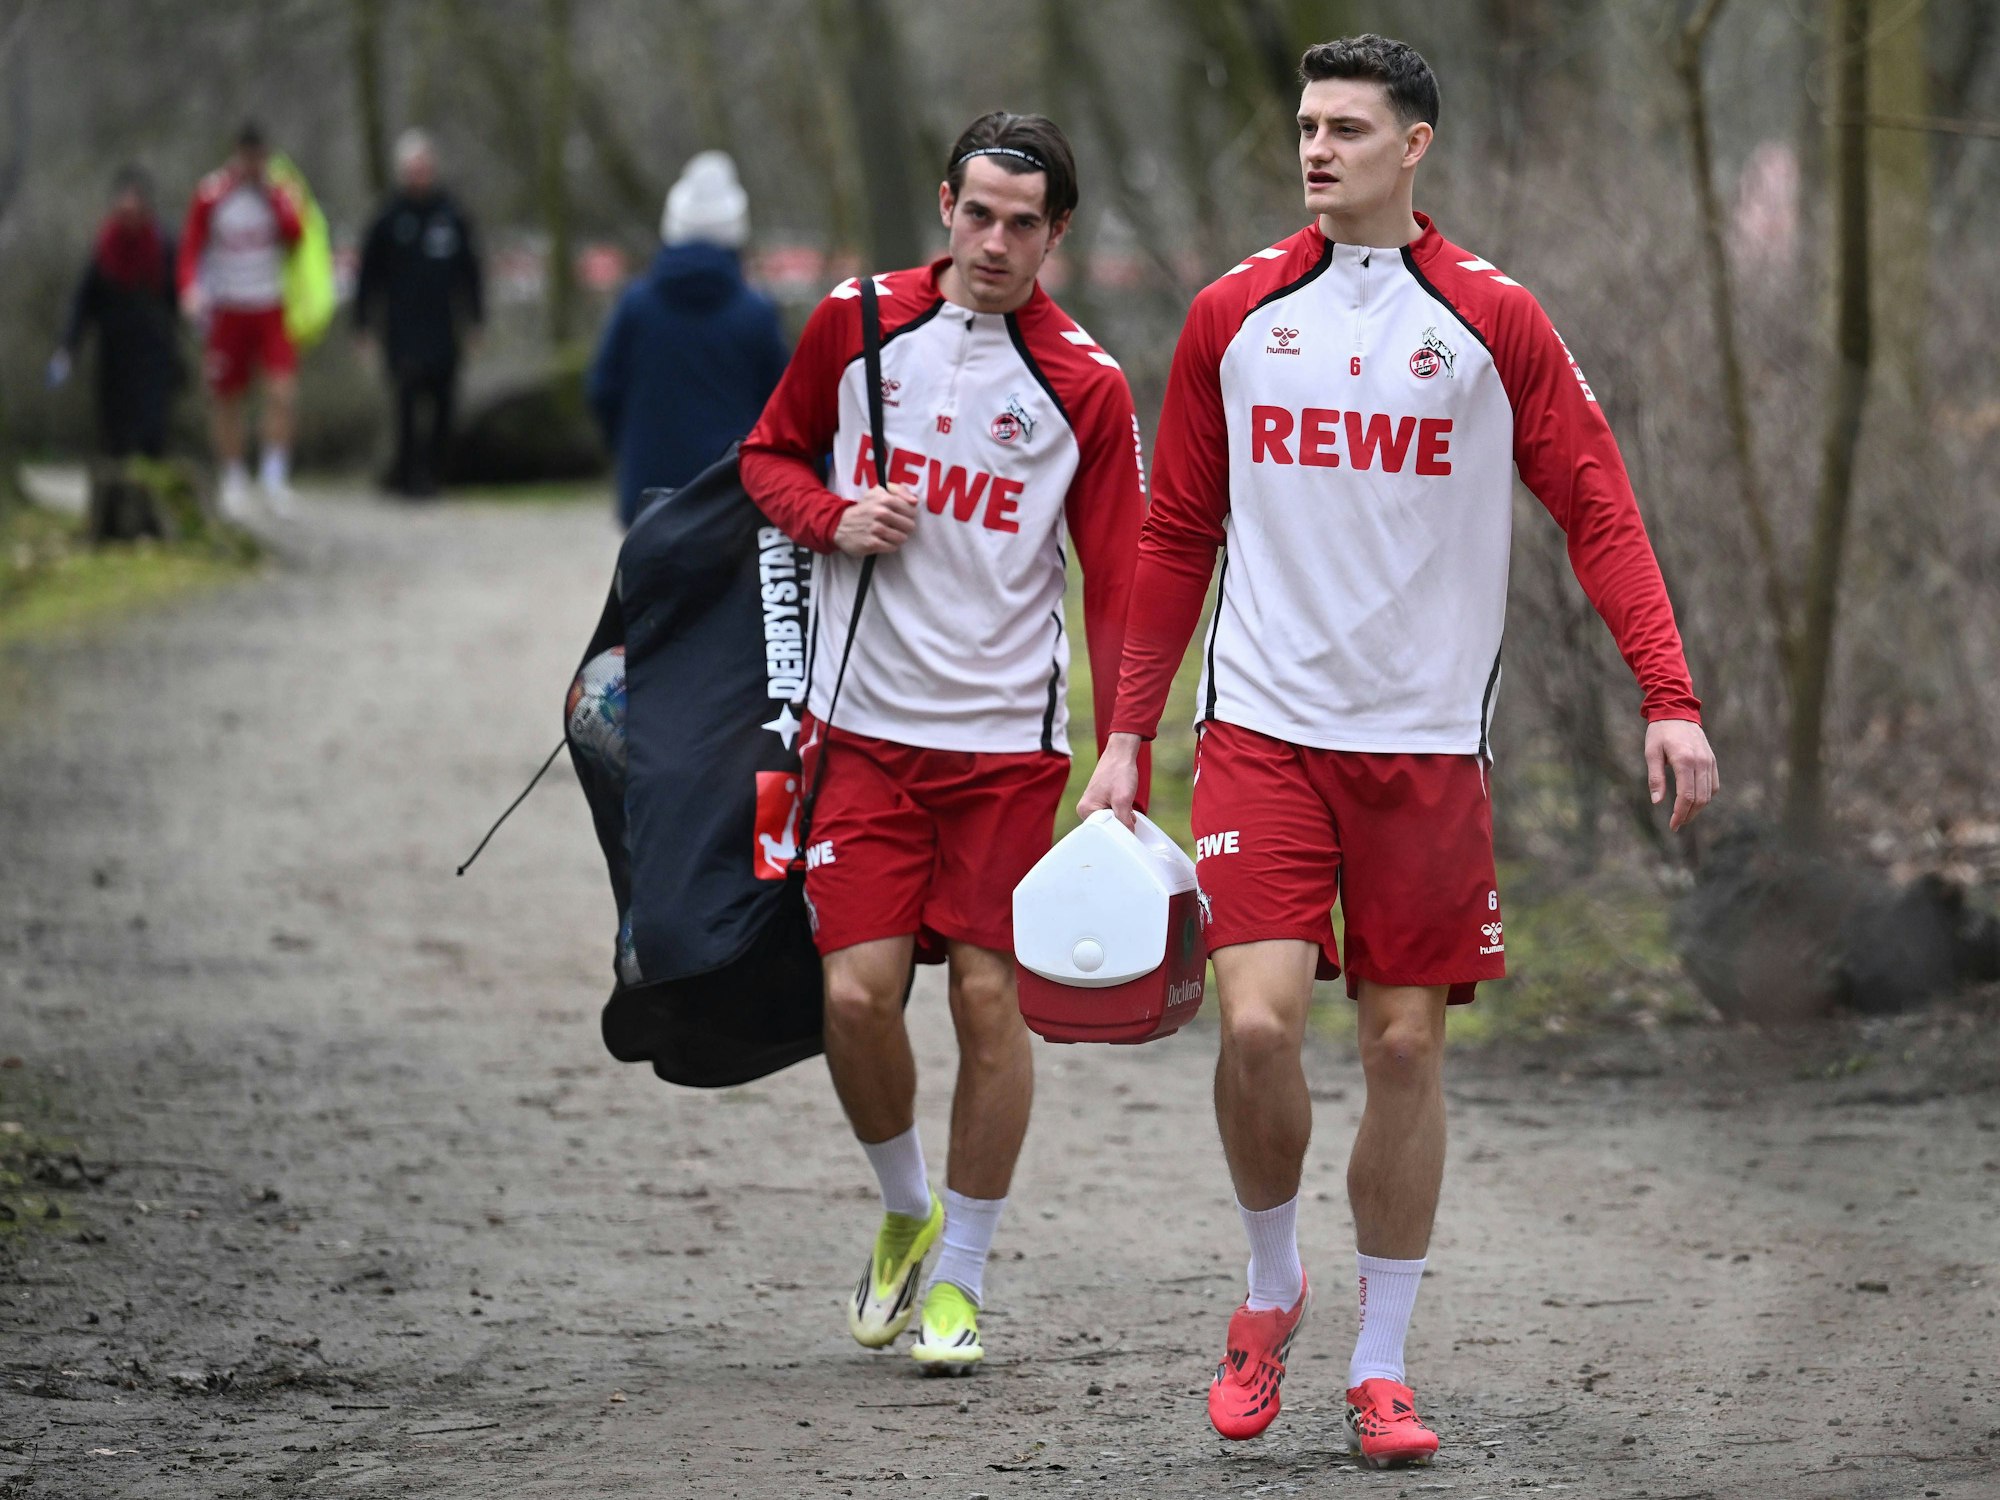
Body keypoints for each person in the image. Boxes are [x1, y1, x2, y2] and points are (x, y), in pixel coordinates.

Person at [1077, 35, 1718, 1465]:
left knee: (1404, 1047)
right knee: (1256, 1026)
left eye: (1348, 129)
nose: (1317, 149)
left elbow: (1596, 506)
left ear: (1413, 146)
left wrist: (1666, 694)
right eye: (1307, 126)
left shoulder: (1492, 318)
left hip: (1425, 748)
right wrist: (1126, 732)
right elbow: (1176, 533)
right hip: (1261, 731)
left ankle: (1380, 1365)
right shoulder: (1234, 312)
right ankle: (1270, 1288)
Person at [740, 112, 1149, 1373]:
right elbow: (765, 457)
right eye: (978, 214)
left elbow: (1121, 576)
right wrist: (829, 514)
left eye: (1022, 224)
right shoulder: (854, 324)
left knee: (986, 998)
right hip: (861, 732)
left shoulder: (1084, 382)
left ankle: (962, 1277)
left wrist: (1124, 738)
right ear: (944, 207)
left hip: (1003, 750)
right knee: (855, 996)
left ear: (1055, 234)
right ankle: (906, 1206)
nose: (994, 242)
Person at [588, 151, 788, 527]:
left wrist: (628, 447)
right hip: (731, 490)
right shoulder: (756, 313)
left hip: (648, 489)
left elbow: (603, 389)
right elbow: (782, 408)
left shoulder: (636, 305)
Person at [177, 122, 303, 518]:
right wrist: (190, 290)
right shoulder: (211, 194)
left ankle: (274, 476)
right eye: (247, 158)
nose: (252, 166)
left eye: (259, 159)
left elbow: (296, 235)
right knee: (226, 397)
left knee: (282, 392)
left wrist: (274, 197)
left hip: (270, 306)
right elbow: (190, 247)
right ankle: (233, 476)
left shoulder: (280, 192)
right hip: (227, 308)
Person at [354, 129, 484, 498]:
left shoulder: (452, 214)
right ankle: (407, 476)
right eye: (413, 169)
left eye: (424, 168)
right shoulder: (388, 218)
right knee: (407, 405)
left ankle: (435, 473)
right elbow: (368, 276)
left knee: (444, 404)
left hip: (443, 328)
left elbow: (470, 272)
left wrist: (476, 319)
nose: (419, 176)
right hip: (402, 331)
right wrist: (362, 324)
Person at [50, 167, 183, 459]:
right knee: (115, 432)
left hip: (153, 352)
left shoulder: (162, 246)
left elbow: (178, 296)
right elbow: (83, 302)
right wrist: (67, 349)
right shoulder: (104, 250)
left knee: (152, 430)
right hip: (114, 354)